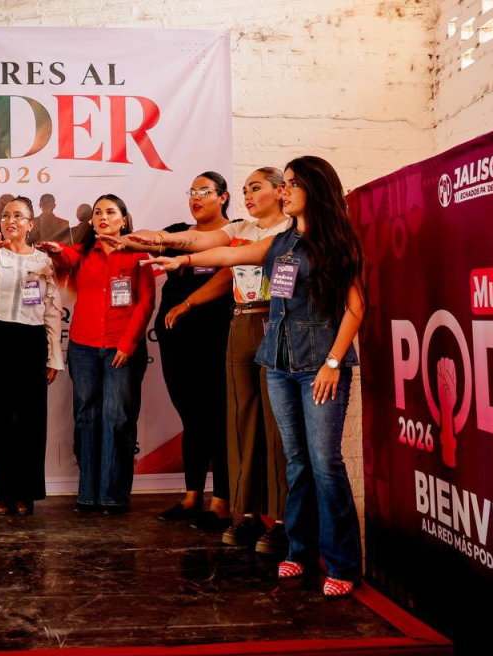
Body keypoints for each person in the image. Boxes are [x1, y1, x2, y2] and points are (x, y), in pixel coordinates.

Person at [146, 156, 365, 597]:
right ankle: (299, 552)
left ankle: (342, 562)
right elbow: (230, 253)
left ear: (313, 190)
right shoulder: (280, 243)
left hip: (319, 367)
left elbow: (355, 307)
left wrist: (333, 363)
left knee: (326, 464)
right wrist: (182, 261)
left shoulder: (335, 242)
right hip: (278, 364)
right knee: (297, 462)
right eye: (281, 185)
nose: (283, 192)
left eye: (290, 185)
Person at [123, 168, 293, 555]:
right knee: (241, 421)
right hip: (242, 322)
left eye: (256, 188)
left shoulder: (290, 231)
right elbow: (202, 240)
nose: (249, 194)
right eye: (246, 188)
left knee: (273, 426)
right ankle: (245, 513)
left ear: (280, 191)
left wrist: (181, 266)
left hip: (275, 324)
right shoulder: (243, 227)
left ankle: (280, 518)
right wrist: (162, 240)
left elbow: (228, 256)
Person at [102, 172, 235, 533]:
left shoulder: (236, 231)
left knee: (218, 417)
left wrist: (189, 303)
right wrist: (129, 238)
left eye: (204, 191)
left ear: (223, 197)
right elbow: (161, 243)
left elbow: (227, 271)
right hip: (176, 335)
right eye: (192, 191)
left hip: (216, 333)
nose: (196, 197)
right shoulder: (178, 228)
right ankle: (193, 496)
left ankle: (222, 501)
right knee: (190, 416)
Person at [37, 195, 155, 514]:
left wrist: (128, 344)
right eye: (98, 212)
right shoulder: (82, 252)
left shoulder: (138, 254)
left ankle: (113, 496)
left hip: (122, 348)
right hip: (84, 347)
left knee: (118, 418)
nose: (103, 216)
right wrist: (55, 251)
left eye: (110, 211)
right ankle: (88, 494)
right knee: (86, 417)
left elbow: (145, 302)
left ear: (124, 220)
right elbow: (63, 261)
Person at [0, 196, 64, 515]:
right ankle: (5, 492)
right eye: (5, 215)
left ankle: (27, 492)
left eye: (18, 216)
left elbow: (53, 309)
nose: (10, 220)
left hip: (31, 339)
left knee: (30, 418)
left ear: (30, 223)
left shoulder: (43, 261)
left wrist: (54, 356)